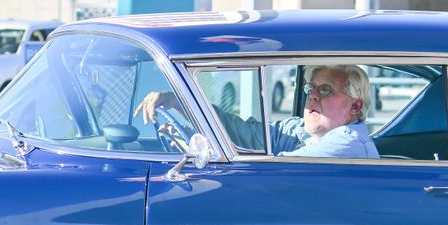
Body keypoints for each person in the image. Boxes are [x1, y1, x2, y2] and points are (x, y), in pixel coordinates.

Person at [134, 65, 378, 159]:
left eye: (325, 90)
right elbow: (245, 132)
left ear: (355, 106)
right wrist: (180, 104)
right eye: (310, 88)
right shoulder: (298, 130)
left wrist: (200, 148)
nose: (312, 96)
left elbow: (274, 170)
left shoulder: (347, 145)